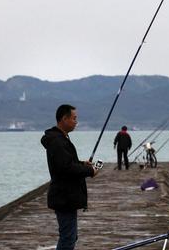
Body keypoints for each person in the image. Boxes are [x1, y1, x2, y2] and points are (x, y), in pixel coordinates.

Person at [41, 104, 99, 250]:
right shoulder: (58, 141)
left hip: (66, 196)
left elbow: (65, 163)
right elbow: (66, 168)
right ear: (64, 119)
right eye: (74, 118)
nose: (76, 122)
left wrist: (82, 163)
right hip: (64, 197)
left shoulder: (60, 139)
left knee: (70, 236)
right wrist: (90, 171)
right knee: (68, 238)